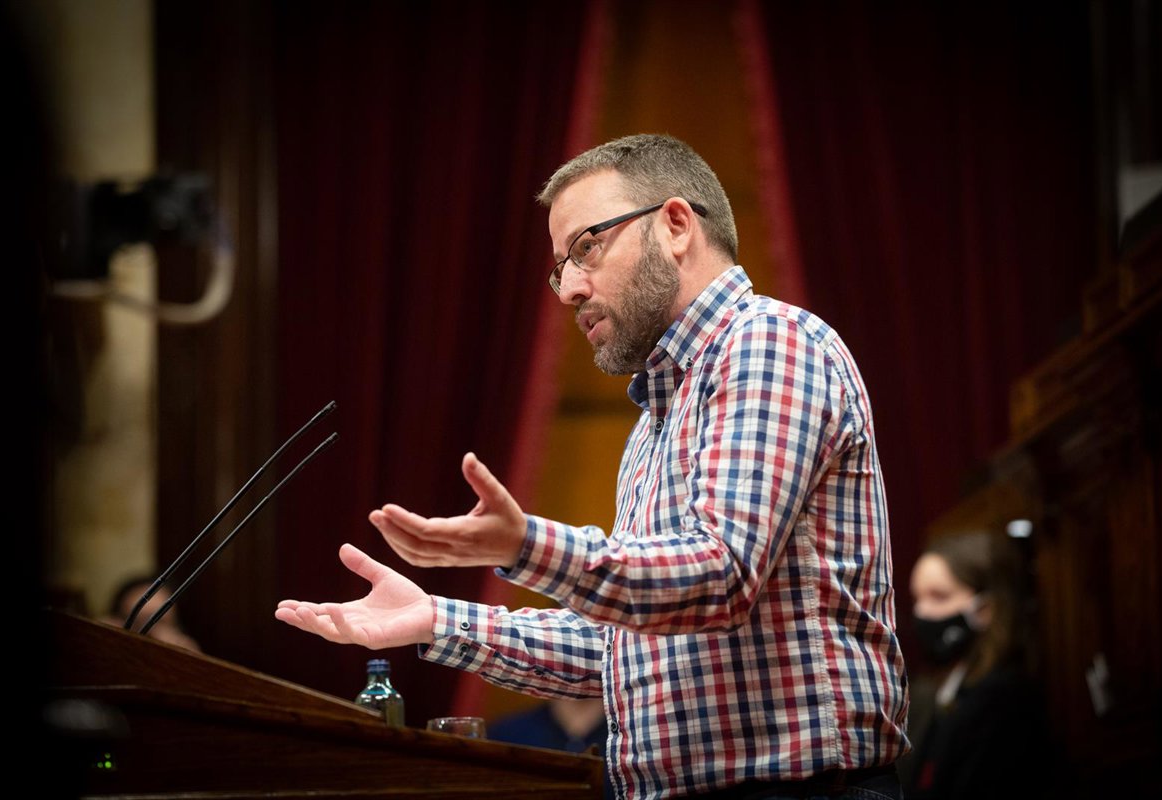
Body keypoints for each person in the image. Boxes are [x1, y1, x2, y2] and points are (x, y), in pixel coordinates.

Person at [276, 134, 909, 799]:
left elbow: (720, 574)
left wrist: (526, 546)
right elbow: (621, 649)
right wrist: (436, 620)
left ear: (675, 224)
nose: (569, 289)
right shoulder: (654, 421)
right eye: (560, 268)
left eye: (586, 248)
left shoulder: (768, 343)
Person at [899, 530, 1051, 799]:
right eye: (916, 599)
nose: (921, 612)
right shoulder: (942, 687)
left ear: (985, 608)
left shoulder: (1003, 698)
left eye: (939, 596)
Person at [100, 574, 202, 653]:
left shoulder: (183, 648)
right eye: (137, 623)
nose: (149, 633)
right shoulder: (109, 642)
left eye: (160, 622)